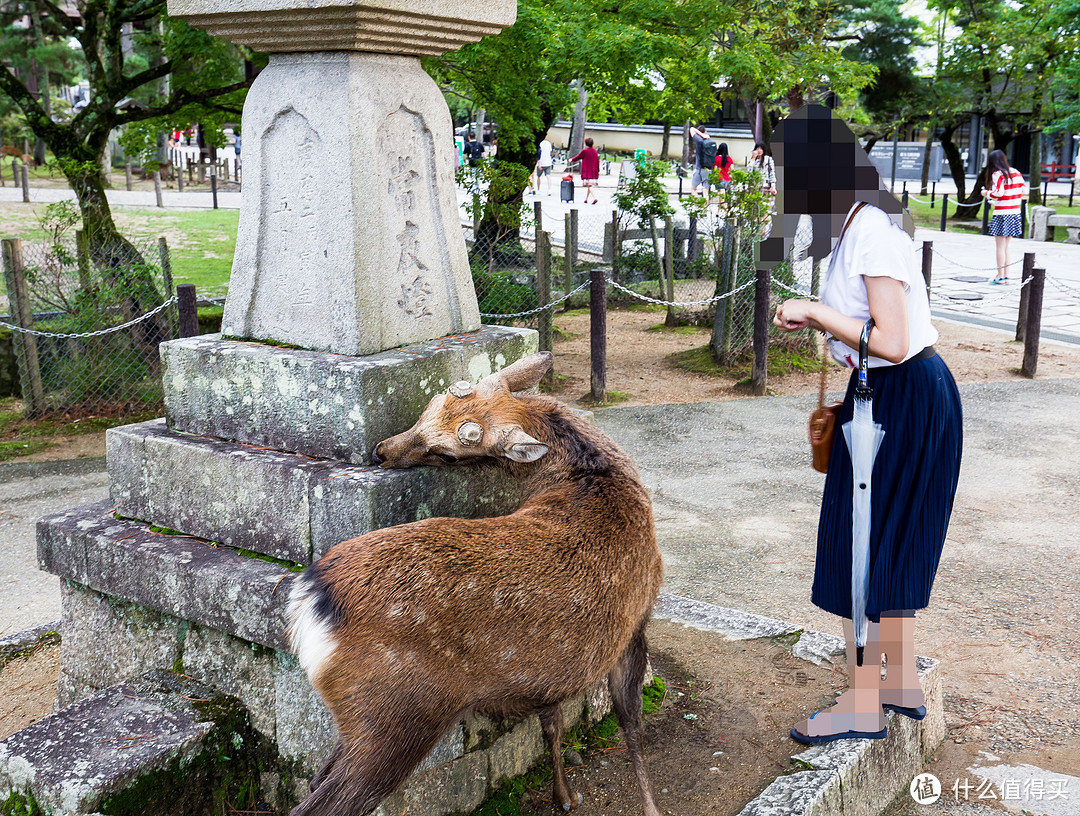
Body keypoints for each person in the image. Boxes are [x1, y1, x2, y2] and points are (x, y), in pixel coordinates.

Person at [762, 104, 963, 746]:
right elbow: (875, 337)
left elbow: (894, 340)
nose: (778, 184)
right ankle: (899, 682)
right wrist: (829, 326)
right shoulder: (858, 225)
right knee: (893, 539)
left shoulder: (870, 229)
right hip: (903, 397)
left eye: (782, 169)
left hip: (901, 396)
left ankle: (862, 704)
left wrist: (818, 313)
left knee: (864, 547)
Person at [981, 149, 1027, 284]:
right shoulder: (1016, 172)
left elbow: (998, 193)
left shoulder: (998, 174)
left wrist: (986, 193)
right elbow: (1024, 190)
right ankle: (1005, 275)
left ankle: (1000, 276)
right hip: (1015, 213)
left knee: (1000, 247)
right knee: (1007, 246)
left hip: (1002, 214)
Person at [569, 137, 601, 204]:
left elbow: (578, 157)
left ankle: (595, 198)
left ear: (586, 143)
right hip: (593, 171)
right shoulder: (595, 151)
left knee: (589, 185)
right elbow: (597, 161)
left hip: (587, 171)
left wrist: (571, 159)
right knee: (590, 185)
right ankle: (586, 199)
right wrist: (598, 170)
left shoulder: (585, 151)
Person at [689, 124, 716, 196]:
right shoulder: (710, 142)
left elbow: (691, 129)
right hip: (709, 169)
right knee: (705, 190)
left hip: (700, 169)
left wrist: (701, 135)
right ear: (705, 131)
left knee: (693, 188)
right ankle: (705, 206)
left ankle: (698, 205)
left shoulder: (699, 140)